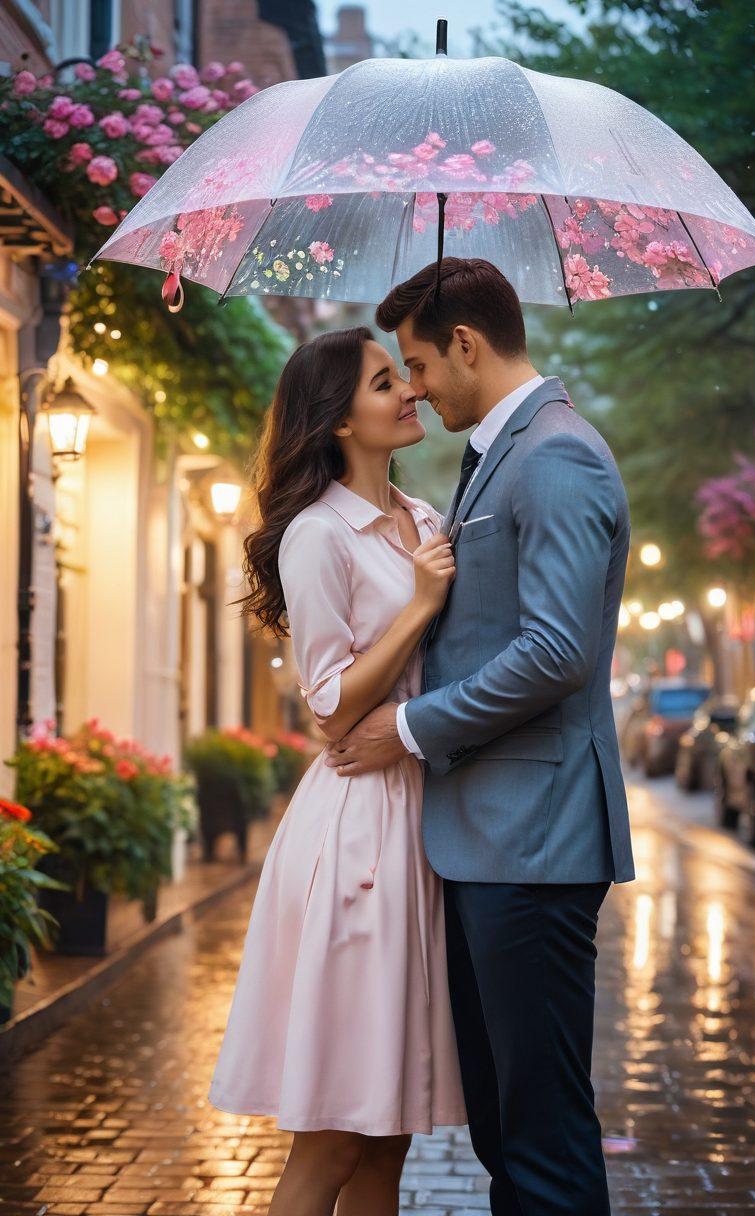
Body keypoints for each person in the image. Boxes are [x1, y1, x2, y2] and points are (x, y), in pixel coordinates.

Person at [325, 257, 636, 1216]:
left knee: (540, 1136)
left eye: (416, 363)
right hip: (490, 839)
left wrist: (408, 728)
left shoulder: (557, 455)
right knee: (508, 1128)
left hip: (533, 842)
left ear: (466, 344)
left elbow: (555, 653)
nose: (412, 387)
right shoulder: (501, 455)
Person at [207, 324, 467, 1216]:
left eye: (407, 375)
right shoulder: (318, 536)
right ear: (338, 420)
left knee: (391, 1137)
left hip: (422, 824)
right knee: (330, 1138)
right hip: (357, 827)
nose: (411, 392)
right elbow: (329, 707)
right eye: (385, 381)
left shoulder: (427, 520)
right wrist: (421, 602)